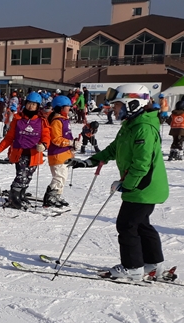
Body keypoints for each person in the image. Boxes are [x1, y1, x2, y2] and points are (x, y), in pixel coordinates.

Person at [66, 93, 170, 281]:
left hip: (144, 186)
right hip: (141, 186)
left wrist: (127, 185)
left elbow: (142, 164)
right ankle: (153, 264)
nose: (113, 109)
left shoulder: (143, 129)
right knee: (141, 224)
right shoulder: (130, 126)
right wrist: (90, 161)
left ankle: (133, 267)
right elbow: (114, 149)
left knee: (127, 224)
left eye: (117, 105)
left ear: (132, 105)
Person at [0, 91, 51, 210]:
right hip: (20, 153)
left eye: (34, 104)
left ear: (37, 106)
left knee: (28, 176)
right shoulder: (18, 119)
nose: (31, 106)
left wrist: (44, 145)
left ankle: (21, 194)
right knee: (21, 176)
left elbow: (46, 136)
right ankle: (13, 197)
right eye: (29, 103)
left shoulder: (41, 121)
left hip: (34, 154)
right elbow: (9, 137)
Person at [43, 95, 79, 208]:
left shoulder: (64, 120)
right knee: (59, 177)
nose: (70, 108)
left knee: (63, 177)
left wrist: (73, 145)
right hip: (57, 154)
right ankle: (50, 197)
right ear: (60, 108)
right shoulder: (56, 121)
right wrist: (70, 143)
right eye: (67, 106)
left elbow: (67, 136)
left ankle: (57, 195)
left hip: (64, 154)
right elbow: (56, 139)